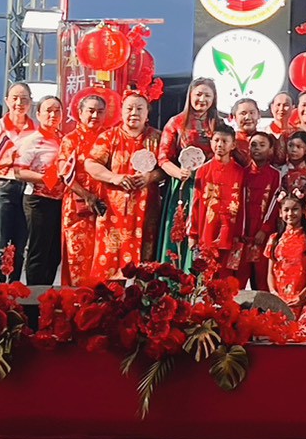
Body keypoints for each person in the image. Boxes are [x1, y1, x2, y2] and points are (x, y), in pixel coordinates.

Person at [83, 92, 163, 285]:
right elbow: (91, 164)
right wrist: (115, 177)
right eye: (129, 108)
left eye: (139, 109)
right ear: (121, 111)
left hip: (147, 209)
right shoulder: (109, 137)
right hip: (114, 212)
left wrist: (150, 177)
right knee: (110, 266)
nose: (134, 113)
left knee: (146, 267)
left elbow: (167, 167)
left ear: (147, 113)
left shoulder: (157, 138)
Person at [156, 77, 223, 271]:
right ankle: (174, 277)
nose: (202, 99)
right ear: (190, 96)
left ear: (214, 99)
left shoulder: (218, 123)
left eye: (207, 95)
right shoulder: (176, 122)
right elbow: (163, 158)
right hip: (183, 187)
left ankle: (201, 280)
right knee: (179, 231)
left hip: (210, 187)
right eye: (198, 94)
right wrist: (178, 173)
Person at [0, 81, 37, 283]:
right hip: (2, 187)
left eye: (24, 99)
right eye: (15, 99)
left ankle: (15, 288)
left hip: (27, 189)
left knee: (20, 244)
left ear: (30, 102)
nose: (19, 103)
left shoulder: (36, 130)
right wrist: (5, 161)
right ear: (7, 101)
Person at [55, 92, 109, 287]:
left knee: (104, 255)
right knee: (77, 255)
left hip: (105, 206)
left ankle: (103, 300)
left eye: (100, 112)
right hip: (78, 206)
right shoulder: (70, 140)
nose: (95, 116)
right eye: (91, 111)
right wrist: (86, 195)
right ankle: (77, 298)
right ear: (80, 112)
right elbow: (64, 173)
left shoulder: (109, 137)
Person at [16, 94, 65, 285]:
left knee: (55, 252)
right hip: (38, 199)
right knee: (39, 250)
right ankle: (34, 295)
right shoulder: (32, 140)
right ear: (38, 114)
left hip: (60, 201)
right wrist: (45, 178)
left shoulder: (63, 139)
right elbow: (19, 171)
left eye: (57, 111)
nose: (53, 115)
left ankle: (47, 293)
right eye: (48, 111)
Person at [189, 128, 246, 279]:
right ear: (211, 143)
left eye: (225, 141)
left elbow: (243, 206)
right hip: (207, 231)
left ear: (233, 145)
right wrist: (193, 234)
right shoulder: (203, 171)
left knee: (226, 278)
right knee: (205, 277)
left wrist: (240, 234)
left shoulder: (240, 172)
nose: (220, 145)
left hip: (230, 233)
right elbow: (195, 204)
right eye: (216, 140)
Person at [265, 196, 306, 334]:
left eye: (295, 209)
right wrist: (274, 294)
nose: (290, 214)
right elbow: (270, 272)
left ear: (303, 211)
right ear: (280, 213)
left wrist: (304, 294)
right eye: (286, 210)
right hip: (279, 298)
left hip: (302, 298)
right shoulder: (274, 239)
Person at [241, 131, 282, 289]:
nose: (257, 148)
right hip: (243, 235)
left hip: (263, 236)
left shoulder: (275, 175)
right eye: (253, 145)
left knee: (262, 279)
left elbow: (274, 204)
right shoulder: (242, 173)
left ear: (270, 150)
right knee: (238, 281)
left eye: (262, 145)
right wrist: (241, 231)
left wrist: (264, 229)